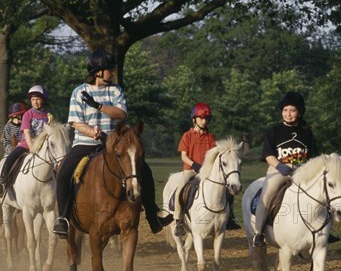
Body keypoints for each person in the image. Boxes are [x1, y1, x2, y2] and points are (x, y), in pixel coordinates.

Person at [52, 49, 173, 239]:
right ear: (98, 71)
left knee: (145, 170)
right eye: (110, 69)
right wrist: (93, 132)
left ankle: (152, 216)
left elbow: (122, 114)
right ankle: (63, 218)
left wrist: (98, 106)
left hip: (113, 143)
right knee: (64, 173)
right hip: (85, 143)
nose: (113, 72)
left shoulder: (115, 90)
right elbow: (75, 122)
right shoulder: (78, 92)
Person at [252, 91, 323, 247]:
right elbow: (268, 155)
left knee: (321, 193)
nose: (288, 114)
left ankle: (322, 230)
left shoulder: (307, 132)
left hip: (303, 172)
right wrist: (280, 166)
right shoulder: (274, 131)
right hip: (278, 170)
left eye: (292, 110)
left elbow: (314, 157)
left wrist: (306, 168)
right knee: (266, 196)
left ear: (299, 112)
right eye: (285, 110)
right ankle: (259, 233)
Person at [173, 103, 241, 237]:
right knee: (179, 191)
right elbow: (183, 156)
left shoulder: (211, 137)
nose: (204, 121)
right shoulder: (187, 136)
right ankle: (178, 221)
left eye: (206, 119)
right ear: (194, 119)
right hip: (191, 171)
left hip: (208, 172)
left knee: (227, 192)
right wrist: (195, 165)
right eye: (201, 118)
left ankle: (230, 218)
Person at [0, 85, 51, 198]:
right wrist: (32, 147)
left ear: (43, 100)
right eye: (33, 100)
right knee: (10, 159)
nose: (35, 102)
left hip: (43, 147)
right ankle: (1, 184)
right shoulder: (28, 114)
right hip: (26, 145)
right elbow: (27, 133)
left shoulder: (48, 115)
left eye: (37, 99)